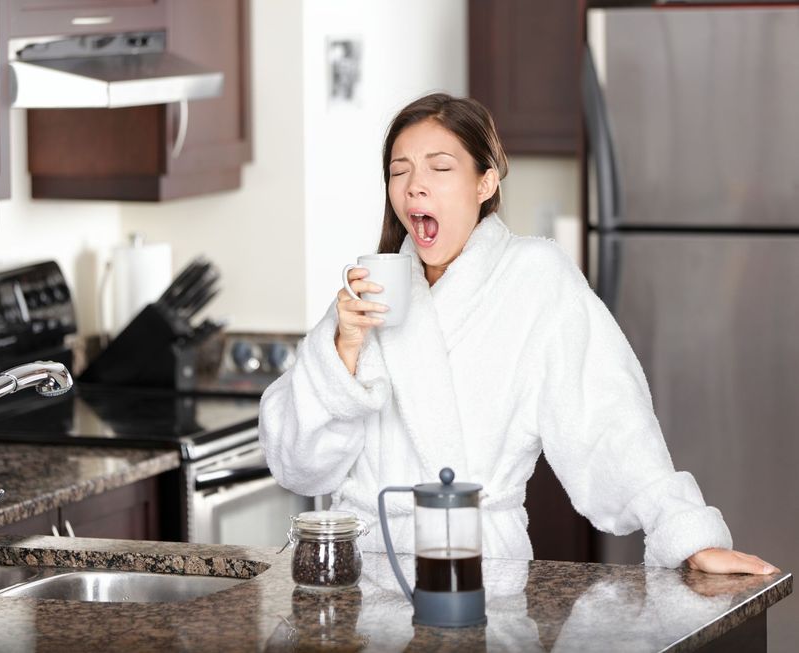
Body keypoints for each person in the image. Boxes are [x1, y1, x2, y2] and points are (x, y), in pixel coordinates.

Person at [259, 93, 778, 575]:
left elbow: (608, 418)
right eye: (400, 171)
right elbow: (297, 467)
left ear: (485, 184)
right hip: (362, 578)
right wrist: (343, 350)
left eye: (440, 167)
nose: (414, 184)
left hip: (480, 574)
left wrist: (686, 533)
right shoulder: (369, 296)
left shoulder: (535, 278)